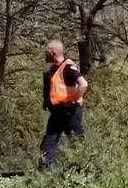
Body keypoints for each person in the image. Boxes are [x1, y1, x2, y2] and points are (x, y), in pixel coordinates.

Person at [39, 40, 88, 170]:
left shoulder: (67, 67)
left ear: (53, 53)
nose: (45, 55)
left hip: (71, 111)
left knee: (76, 141)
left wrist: (73, 101)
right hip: (57, 111)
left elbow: (83, 84)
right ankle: (45, 170)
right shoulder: (54, 68)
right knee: (49, 140)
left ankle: (82, 170)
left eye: (47, 52)